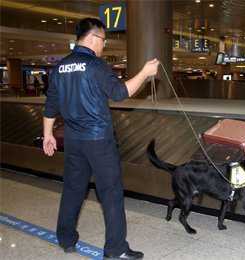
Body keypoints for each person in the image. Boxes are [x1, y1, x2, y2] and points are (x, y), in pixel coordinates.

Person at [43, 18, 159, 260]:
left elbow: (51, 105)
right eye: (104, 40)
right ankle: (115, 249)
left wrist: (47, 135)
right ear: (93, 38)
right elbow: (119, 93)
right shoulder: (96, 65)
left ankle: (66, 240)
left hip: (73, 140)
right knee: (111, 193)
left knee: (73, 190)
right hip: (98, 140)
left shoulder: (60, 67)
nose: (104, 45)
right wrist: (145, 73)